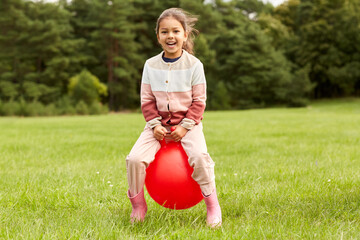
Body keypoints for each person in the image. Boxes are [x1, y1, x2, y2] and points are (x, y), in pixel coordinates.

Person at [125, 8, 222, 228]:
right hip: (157, 125)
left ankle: (212, 205)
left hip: (189, 125)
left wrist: (185, 127)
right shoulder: (150, 65)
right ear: (158, 36)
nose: (171, 36)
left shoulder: (195, 66)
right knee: (134, 159)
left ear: (185, 35)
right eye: (164, 31)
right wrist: (154, 125)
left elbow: (199, 102)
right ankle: (138, 205)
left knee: (199, 156)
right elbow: (147, 100)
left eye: (176, 31)